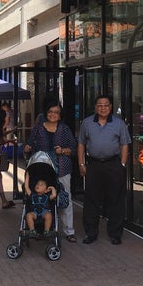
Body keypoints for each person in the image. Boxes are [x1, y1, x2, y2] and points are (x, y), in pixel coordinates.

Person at [77, 95, 131, 245]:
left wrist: (122, 164)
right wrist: (81, 164)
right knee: (91, 200)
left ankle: (115, 233)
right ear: (95, 107)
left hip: (113, 164)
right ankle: (91, 233)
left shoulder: (119, 123)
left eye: (106, 105)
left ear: (111, 107)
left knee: (115, 199)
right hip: (93, 165)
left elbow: (124, 144)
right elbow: (81, 144)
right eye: (100, 105)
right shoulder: (87, 123)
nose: (103, 108)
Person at [24, 100, 78, 243]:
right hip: (43, 171)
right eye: (50, 111)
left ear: (60, 115)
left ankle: (69, 230)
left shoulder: (64, 129)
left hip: (62, 168)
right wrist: (27, 149)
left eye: (56, 112)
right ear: (45, 113)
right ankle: (43, 228)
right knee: (44, 200)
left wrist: (63, 151)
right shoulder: (37, 128)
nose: (53, 114)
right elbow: (29, 145)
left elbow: (74, 149)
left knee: (65, 198)